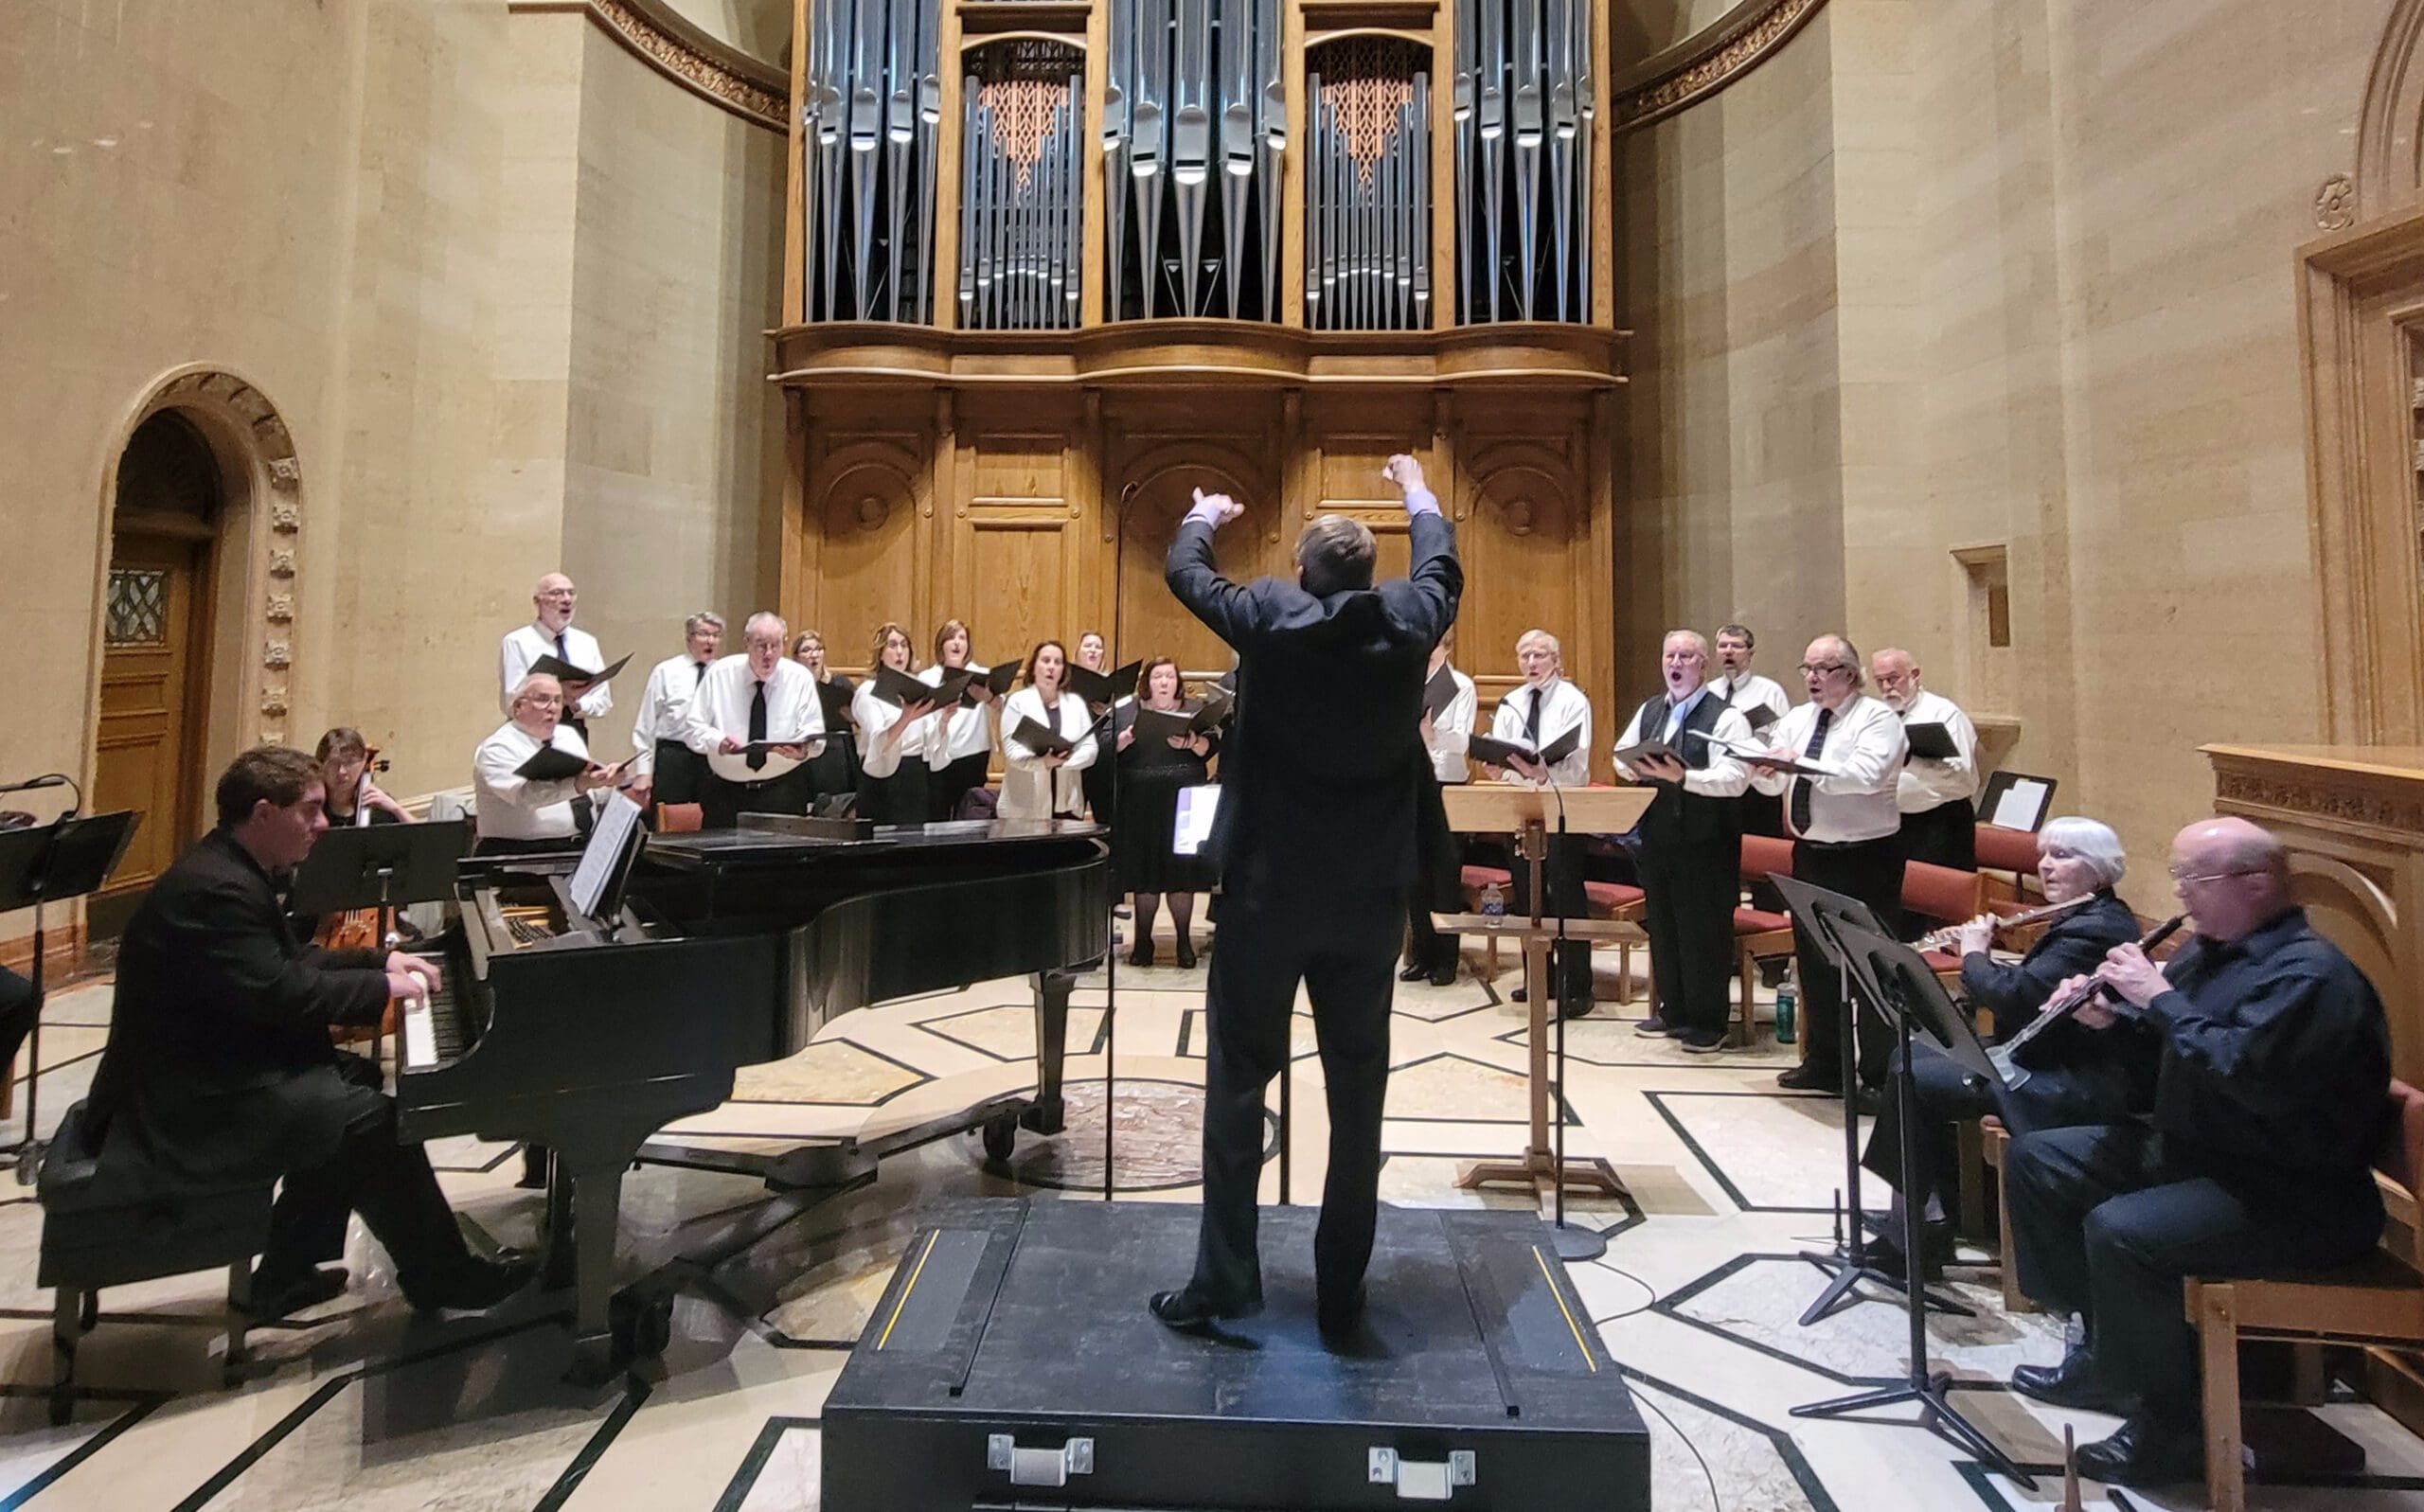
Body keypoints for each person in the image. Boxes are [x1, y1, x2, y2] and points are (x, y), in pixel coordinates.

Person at [1150, 453, 1460, 1342]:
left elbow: (1184, 571)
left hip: (1266, 894)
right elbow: (1441, 562)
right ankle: (1339, 1292)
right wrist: (1417, 493)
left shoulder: (1267, 619)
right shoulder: (1409, 618)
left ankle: (1223, 1283)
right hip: (1368, 900)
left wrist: (1204, 511)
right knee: (1359, 1094)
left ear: (1302, 571)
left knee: (1238, 1084)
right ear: (1368, 572)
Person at [2003, 818, 2392, 1489]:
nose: (2180, 893)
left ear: (2257, 883)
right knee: (2040, 1160)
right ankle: (2106, 1352)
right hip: (2209, 1154)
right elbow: (2170, 1058)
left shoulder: (2310, 977)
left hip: (2294, 1192)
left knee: (2124, 1231)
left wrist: (2157, 998)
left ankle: (2170, 1429)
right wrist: (2111, 1021)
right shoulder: (2208, 952)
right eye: (2178, 876)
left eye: (2194, 878)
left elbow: (2247, 1079)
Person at [81, 747, 533, 1317]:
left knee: (357, 1080)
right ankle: (445, 1278)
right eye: (311, 811)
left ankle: (284, 1275)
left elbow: (288, 962)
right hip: (186, 1097)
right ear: (265, 813)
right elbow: (282, 994)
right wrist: (380, 990)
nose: (323, 825)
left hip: (208, 1064)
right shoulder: (216, 890)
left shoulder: (228, 866)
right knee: (369, 1120)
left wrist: (377, 964)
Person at [1858, 816, 2142, 1278]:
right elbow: (2031, 992)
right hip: (2044, 1052)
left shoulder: (2097, 928)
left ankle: (1919, 1233)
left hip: (2064, 1073)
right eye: (2044, 856)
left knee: (1913, 1072)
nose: (2047, 867)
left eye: (2063, 857)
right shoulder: (2080, 916)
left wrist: (1974, 953)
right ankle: (1928, 1212)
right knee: (1914, 1056)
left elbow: (2019, 998)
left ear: (2100, 871)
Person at [1744, 634, 1908, 1094]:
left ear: (1850, 675)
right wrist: (1765, 771)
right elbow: (1778, 787)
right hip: (1812, 852)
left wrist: (1801, 763)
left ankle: (1879, 1072)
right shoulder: (1798, 719)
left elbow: (1863, 776)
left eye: (1823, 669)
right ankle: (1825, 1063)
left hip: (1866, 857)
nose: (1812, 678)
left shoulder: (1877, 719)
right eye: (1808, 668)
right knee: (1816, 960)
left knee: (1870, 965)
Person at [1610, 631, 1754, 1052]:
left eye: (1686, 656)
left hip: (1707, 840)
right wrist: (1636, 767)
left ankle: (1709, 1022)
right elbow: (1622, 752)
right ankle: (1673, 1010)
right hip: (1659, 835)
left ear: (1703, 664)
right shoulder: (1652, 709)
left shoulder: (1727, 716)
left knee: (1703, 930)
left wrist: (1685, 777)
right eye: (1670, 655)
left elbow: (1736, 777)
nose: (1676, 663)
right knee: (1666, 925)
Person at [1481, 628, 1595, 1018]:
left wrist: (1542, 773)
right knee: (1530, 898)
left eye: (1540, 655)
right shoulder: (1511, 702)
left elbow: (1577, 764)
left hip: (1560, 807)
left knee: (1565, 896)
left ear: (1557, 660)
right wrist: (1500, 771)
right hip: (1521, 811)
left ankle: (1577, 985)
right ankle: (1538, 979)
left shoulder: (1572, 700)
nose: (1532, 662)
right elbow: (1504, 757)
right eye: (1525, 656)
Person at [1116, 657, 1220, 968]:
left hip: (1183, 800)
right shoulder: (1128, 711)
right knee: (1146, 874)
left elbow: (1209, 748)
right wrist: (1123, 740)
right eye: (1158, 677)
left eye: (1169, 677)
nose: (1163, 682)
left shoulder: (1194, 710)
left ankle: (1184, 941)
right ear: (1147, 682)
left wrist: (1194, 741)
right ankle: (1143, 940)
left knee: (1180, 874)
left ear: (1178, 682)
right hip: (1141, 801)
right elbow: (1109, 750)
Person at [683, 613, 826, 829]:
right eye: (761, 645)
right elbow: (693, 727)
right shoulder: (719, 674)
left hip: (783, 791)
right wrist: (717, 741)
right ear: (746, 643)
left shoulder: (799, 677)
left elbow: (814, 729)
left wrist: (804, 748)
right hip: (726, 792)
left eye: (775, 645)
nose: (768, 654)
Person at [472, 674, 625, 854]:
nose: (552, 708)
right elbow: (524, 796)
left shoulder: (567, 735)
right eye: (543, 699)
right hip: (519, 853)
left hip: (578, 846)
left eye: (558, 701)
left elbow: (584, 790)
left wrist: (607, 780)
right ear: (518, 706)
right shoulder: (497, 747)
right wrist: (579, 784)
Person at [1404, 629, 1475, 987]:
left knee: (1445, 874)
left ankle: (1447, 959)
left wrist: (1432, 735)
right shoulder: (1409, 680)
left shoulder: (1461, 686)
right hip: (1412, 781)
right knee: (1415, 873)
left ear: (1447, 647)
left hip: (1447, 782)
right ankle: (1422, 954)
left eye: (1434, 645)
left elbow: (1463, 739)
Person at [1870, 648, 1981, 871]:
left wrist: (1912, 760)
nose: (1885, 687)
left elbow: (1965, 780)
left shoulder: (1944, 713)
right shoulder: (1879, 716)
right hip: (1891, 824)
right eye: (1879, 680)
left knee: (1937, 897)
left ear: (1915, 675)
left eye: (1893, 678)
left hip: (1939, 824)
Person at [628, 612, 722, 812]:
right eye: (704, 634)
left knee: (713, 821)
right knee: (668, 821)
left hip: (712, 758)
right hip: (674, 756)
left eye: (716, 635)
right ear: (689, 638)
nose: (710, 641)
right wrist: (644, 772)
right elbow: (646, 724)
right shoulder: (667, 671)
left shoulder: (724, 673)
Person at [498, 573, 612, 736]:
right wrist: (552, 696)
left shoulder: (586, 643)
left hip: (573, 731)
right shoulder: (517, 641)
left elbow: (603, 702)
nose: (566, 599)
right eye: (557, 593)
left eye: (571, 593)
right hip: (529, 734)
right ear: (537, 601)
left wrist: (575, 703)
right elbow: (511, 701)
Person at [1710, 622, 1792, 845]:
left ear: (1750, 653)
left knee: (1759, 857)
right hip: (1719, 788)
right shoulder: (1707, 692)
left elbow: (1783, 737)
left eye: (1736, 646)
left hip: (1757, 788)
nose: (1728, 651)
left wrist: (1773, 760)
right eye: (1722, 646)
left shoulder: (1769, 691)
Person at [998, 640, 1097, 821]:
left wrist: (1061, 762)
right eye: (1045, 660)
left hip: (1067, 804)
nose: (1051, 667)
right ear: (1034, 666)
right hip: (1025, 807)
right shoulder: (1017, 702)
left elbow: (1090, 750)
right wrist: (1043, 763)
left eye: (1057, 662)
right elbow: (1012, 752)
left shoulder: (1076, 703)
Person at [852, 622, 940, 826]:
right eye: (892, 646)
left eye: (904, 645)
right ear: (880, 654)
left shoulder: (919, 689)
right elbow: (879, 740)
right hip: (882, 774)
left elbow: (929, 738)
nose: (899, 652)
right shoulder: (868, 690)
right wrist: (906, 717)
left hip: (915, 774)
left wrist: (944, 720)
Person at [923, 619, 1001, 822]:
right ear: (941, 644)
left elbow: (1000, 705)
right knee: (938, 814)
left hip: (973, 754)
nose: (957, 642)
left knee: (969, 813)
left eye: (962, 638)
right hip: (939, 753)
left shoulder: (982, 675)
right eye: (951, 637)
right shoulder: (928, 677)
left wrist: (990, 697)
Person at [793, 629, 861, 802]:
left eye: (818, 649)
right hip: (807, 751)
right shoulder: (793, 688)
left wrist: (853, 717)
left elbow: (858, 715)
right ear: (796, 657)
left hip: (837, 754)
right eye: (807, 650)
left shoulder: (840, 685)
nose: (814, 655)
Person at [314, 728, 410, 828]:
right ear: (320, 765)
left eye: (349, 762)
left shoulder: (379, 809)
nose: (341, 771)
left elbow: (423, 839)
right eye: (333, 763)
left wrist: (397, 809)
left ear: (364, 761)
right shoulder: (310, 808)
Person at [1075, 631, 1119, 825]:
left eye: (1098, 647)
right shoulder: (1064, 681)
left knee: (1105, 817)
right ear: (1077, 651)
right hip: (1074, 757)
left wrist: (1109, 711)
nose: (1093, 651)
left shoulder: (1114, 683)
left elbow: (1125, 719)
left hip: (1103, 759)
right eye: (1087, 646)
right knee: (1071, 817)